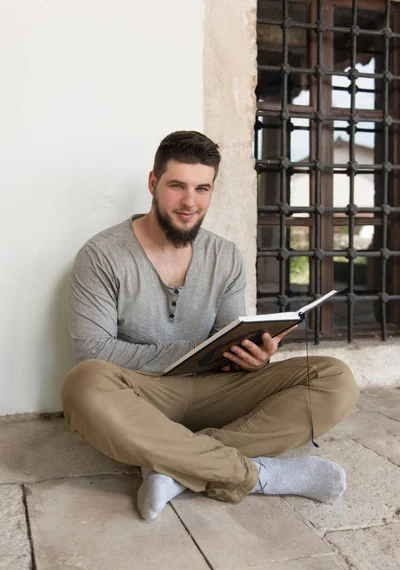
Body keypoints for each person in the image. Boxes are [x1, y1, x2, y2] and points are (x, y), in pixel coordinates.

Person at [62, 130, 359, 521]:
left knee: (335, 378)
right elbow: (94, 351)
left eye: (203, 188)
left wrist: (254, 357)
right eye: (177, 186)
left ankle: (174, 466)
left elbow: (226, 336)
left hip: (215, 389)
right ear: (153, 183)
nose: (190, 202)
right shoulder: (101, 255)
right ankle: (257, 475)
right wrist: (192, 349)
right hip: (143, 395)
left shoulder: (226, 256)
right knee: (82, 384)